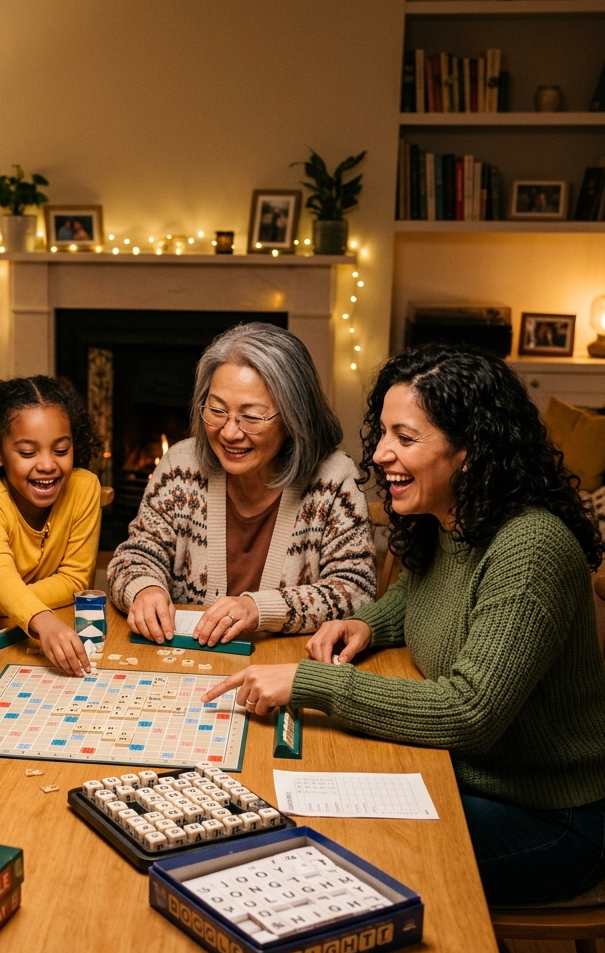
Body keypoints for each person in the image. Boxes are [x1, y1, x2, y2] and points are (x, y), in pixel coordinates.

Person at [203, 346, 605, 906]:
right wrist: (364, 623)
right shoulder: (454, 521)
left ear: (470, 450)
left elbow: (469, 714)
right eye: (384, 432)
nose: (382, 453)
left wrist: (308, 682)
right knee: (294, 803)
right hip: (468, 774)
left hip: (550, 815)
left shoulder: (530, 547)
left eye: (406, 438)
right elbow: (418, 595)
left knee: (319, 848)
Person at [108, 322, 376, 647]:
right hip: (186, 660)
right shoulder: (181, 465)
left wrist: (258, 609)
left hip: (284, 667)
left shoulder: (334, 479)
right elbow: (132, 557)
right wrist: (144, 588)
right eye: (217, 411)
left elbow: (356, 591)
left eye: (251, 417)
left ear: (294, 417)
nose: (230, 433)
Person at [0, 376, 103, 676]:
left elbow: (75, 580)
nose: (47, 465)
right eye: (28, 453)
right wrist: (41, 620)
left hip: (33, 624)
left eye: (60, 450)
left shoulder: (85, 487)